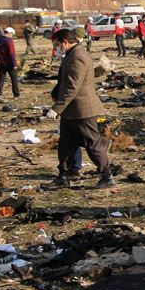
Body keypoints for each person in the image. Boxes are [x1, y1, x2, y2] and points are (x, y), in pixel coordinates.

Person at [45, 28, 113, 188]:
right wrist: (55, 94)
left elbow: (72, 87)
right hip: (71, 111)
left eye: (57, 45)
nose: (56, 49)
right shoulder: (71, 54)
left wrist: (57, 108)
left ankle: (107, 175)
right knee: (66, 144)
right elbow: (64, 81)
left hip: (82, 110)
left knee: (92, 145)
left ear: (65, 42)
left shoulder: (78, 57)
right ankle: (64, 175)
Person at [0, 27, 20, 100]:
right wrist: (14, 64)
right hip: (9, 63)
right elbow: (11, 53)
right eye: (12, 35)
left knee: (1, 79)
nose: (12, 36)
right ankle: (16, 95)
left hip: (1, 63)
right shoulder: (9, 41)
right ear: (10, 33)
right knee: (14, 79)